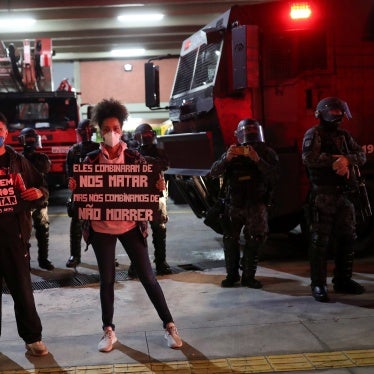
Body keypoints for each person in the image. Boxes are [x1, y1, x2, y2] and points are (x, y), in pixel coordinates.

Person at [68, 98, 182, 352]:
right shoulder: (88, 161)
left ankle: (169, 325)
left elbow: (150, 185)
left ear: (122, 128)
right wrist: (76, 190)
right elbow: (79, 199)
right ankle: (108, 331)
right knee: (106, 280)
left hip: (131, 226)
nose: (112, 134)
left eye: (116, 128)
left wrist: (157, 186)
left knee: (149, 278)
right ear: (99, 130)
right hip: (101, 230)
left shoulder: (134, 158)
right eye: (107, 129)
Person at [302, 96, 366, 302]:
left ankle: (343, 279)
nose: (337, 118)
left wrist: (347, 159)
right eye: (334, 114)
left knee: (348, 238)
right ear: (322, 115)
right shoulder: (314, 134)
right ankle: (318, 284)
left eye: (340, 114)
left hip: (343, 195)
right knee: (320, 242)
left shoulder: (344, 136)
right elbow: (308, 158)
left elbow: (361, 155)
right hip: (323, 195)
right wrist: (334, 162)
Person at [209, 119, 279, 288]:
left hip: (256, 204)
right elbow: (213, 172)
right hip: (234, 204)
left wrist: (257, 160)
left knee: (255, 240)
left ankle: (249, 276)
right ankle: (232, 275)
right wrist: (226, 159)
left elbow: (274, 175)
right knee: (230, 240)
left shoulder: (266, 152)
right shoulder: (232, 151)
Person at [0, 113, 49, 356]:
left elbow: (41, 186)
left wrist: (39, 193)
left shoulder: (18, 161)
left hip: (15, 239)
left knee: (23, 292)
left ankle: (33, 338)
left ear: (6, 133)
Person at [127, 123, 172, 277]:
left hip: (157, 197)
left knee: (159, 231)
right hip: (139, 198)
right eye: (143, 134)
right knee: (138, 234)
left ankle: (161, 263)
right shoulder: (132, 153)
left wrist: (144, 160)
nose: (146, 137)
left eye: (148, 134)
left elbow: (164, 164)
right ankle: (137, 265)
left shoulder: (159, 152)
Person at [18, 127, 54, 271]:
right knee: (23, 234)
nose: (30, 142)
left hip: (39, 200)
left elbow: (45, 171)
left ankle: (43, 260)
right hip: (24, 201)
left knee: (43, 231)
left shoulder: (41, 158)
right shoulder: (17, 158)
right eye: (28, 139)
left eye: (32, 140)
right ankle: (26, 262)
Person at [65, 119, 99, 268]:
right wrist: (71, 183)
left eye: (88, 130)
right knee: (76, 225)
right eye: (83, 130)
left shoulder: (99, 149)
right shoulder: (74, 151)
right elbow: (69, 172)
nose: (86, 133)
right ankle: (75, 255)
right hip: (80, 192)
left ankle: (106, 255)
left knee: (101, 225)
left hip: (98, 192)